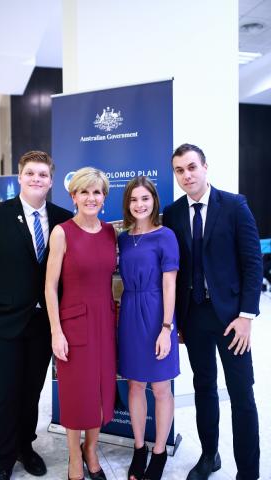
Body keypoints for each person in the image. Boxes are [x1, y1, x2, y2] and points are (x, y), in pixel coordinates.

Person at [0, 151, 72, 480]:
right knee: (4, 394)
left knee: (31, 392)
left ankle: (26, 445)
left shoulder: (64, 218)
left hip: (42, 324)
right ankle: (3, 460)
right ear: (20, 178)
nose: (37, 179)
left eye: (43, 174)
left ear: (51, 181)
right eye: (30, 173)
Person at [162, 143, 262, 480]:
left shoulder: (234, 206)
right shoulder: (173, 213)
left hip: (233, 319)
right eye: (180, 170)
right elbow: (173, 272)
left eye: (192, 167)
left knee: (241, 394)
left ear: (205, 167)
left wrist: (247, 317)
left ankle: (248, 471)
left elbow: (253, 264)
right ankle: (209, 456)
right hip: (195, 317)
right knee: (204, 387)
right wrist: (174, 321)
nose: (187, 175)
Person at [45, 167, 117, 480]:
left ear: (104, 198)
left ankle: (92, 449)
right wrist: (56, 332)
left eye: (97, 192)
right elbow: (49, 287)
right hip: (73, 324)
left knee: (101, 393)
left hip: (105, 322)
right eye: (84, 192)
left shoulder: (110, 232)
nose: (91, 197)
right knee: (77, 396)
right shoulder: (62, 232)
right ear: (73, 196)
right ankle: (75, 458)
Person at [118, 176, 180, 480]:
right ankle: (139, 448)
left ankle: (159, 453)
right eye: (133, 199)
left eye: (145, 198)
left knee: (161, 387)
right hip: (129, 312)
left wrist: (166, 328)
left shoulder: (166, 235)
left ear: (154, 200)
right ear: (127, 204)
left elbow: (170, 284)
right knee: (134, 385)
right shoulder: (123, 238)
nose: (139, 204)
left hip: (157, 313)